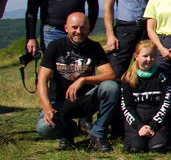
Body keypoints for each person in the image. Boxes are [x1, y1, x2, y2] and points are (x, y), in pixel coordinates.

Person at [35, 12, 117, 152]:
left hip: (86, 100)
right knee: (44, 129)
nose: (78, 31)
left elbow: (110, 74)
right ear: (66, 28)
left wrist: (83, 79)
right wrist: (47, 107)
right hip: (60, 102)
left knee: (111, 87)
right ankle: (68, 130)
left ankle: (98, 133)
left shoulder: (94, 47)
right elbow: (42, 79)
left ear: (89, 28)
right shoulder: (55, 47)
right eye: (74, 27)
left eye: (83, 27)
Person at [119, 40, 171, 153]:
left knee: (157, 148)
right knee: (136, 148)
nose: (149, 60)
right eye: (145, 56)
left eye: (152, 56)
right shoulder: (127, 77)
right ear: (136, 56)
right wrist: (139, 126)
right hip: (137, 118)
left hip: (158, 119)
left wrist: (153, 125)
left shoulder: (163, 75)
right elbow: (126, 106)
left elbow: (166, 102)